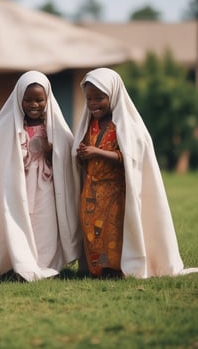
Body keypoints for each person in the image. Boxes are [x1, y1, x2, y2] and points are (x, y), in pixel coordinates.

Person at [72, 67, 198, 279]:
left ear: (113, 95)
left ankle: (113, 268)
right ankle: (98, 268)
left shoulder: (127, 125)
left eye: (100, 98)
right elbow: (84, 153)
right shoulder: (89, 125)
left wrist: (97, 153)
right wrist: (83, 154)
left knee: (113, 232)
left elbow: (130, 158)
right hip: (92, 190)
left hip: (115, 192)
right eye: (89, 99)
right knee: (93, 231)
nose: (94, 104)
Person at [0, 70, 82, 282]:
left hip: (45, 184)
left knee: (45, 224)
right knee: (19, 220)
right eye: (28, 100)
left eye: (39, 100)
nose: (33, 105)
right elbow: (1, 158)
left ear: (47, 99)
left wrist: (50, 148)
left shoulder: (54, 126)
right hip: (19, 183)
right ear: (19, 99)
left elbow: (64, 154)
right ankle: (21, 264)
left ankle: (45, 265)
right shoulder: (7, 124)